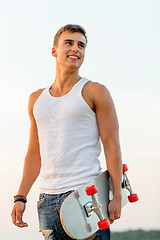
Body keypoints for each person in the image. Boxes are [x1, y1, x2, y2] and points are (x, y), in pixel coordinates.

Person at [11, 24, 122, 240]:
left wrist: (116, 194)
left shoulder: (95, 91)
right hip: (47, 203)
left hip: (86, 197)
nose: (76, 49)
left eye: (81, 45)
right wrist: (21, 197)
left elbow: (112, 145)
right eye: (69, 43)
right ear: (54, 50)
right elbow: (34, 152)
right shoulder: (36, 99)